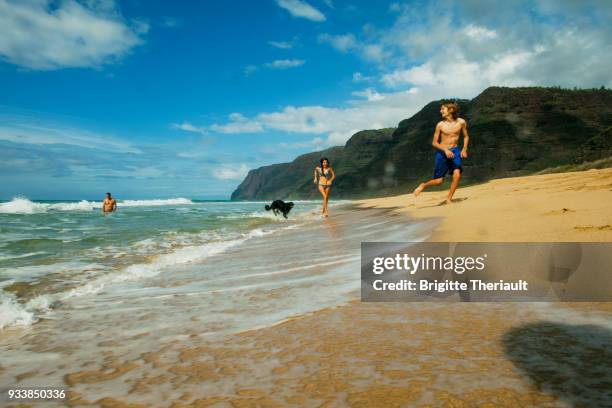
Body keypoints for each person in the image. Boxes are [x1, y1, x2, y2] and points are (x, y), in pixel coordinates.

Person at [413, 102, 469, 204]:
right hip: (442, 152)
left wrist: (464, 149)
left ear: (451, 110)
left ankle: (449, 199)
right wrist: (446, 150)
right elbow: (434, 142)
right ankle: (423, 185)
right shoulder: (440, 125)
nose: (440, 111)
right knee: (439, 181)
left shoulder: (461, 122)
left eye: (443, 109)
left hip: (455, 151)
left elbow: (466, 136)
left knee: (457, 174)